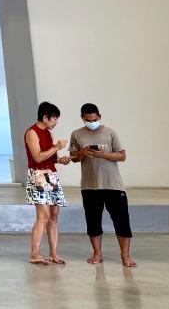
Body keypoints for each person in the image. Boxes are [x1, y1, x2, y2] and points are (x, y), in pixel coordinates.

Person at [69, 103, 136, 267]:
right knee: (93, 221)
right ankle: (97, 254)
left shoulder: (110, 132)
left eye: (94, 119)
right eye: (88, 120)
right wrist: (82, 152)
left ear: (99, 116)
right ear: (82, 118)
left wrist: (104, 154)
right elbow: (74, 158)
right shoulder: (76, 134)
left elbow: (122, 156)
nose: (92, 122)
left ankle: (125, 256)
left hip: (113, 185)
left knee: (121, 221)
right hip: (89, 186)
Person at [24, 101, 72, 265]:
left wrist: (59, 159)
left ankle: (53, 253)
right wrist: (57, 147)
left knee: (53, 215)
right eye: (54, 119)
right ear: (45, 117)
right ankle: (35, 253)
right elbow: (37, 158)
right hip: (38, 175)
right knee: (43, 216)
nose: (56, 122)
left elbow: (49, 157)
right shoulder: (32, 132)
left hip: (51, 175)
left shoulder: (48, 134)